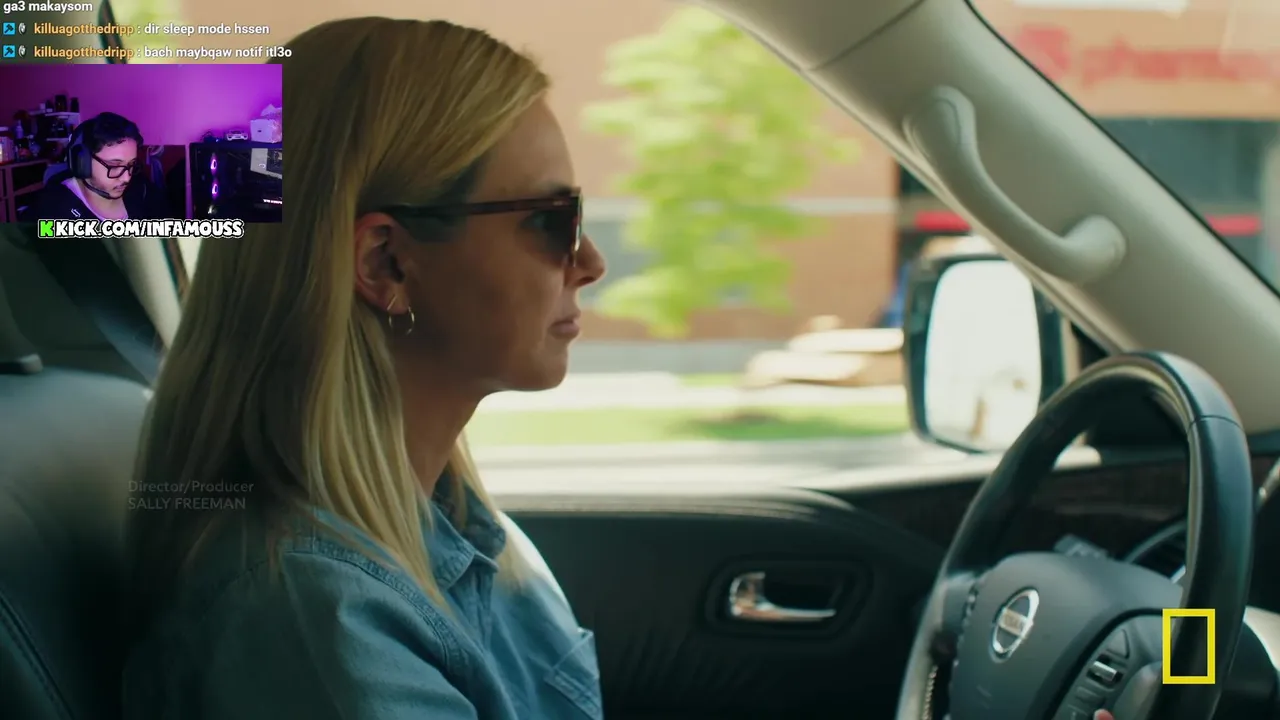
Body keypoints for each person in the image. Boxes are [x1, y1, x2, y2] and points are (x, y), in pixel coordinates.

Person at [121, 17, 606, 720]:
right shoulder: (320, 614)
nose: (590, 262)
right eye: (551, 219)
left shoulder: (454, 525)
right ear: (385, 263)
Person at [28, 111, 169, 221]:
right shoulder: (50, 209)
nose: (126, 178)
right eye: (114, 166)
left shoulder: (142, 190)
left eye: (131, 164)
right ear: (82, 162)